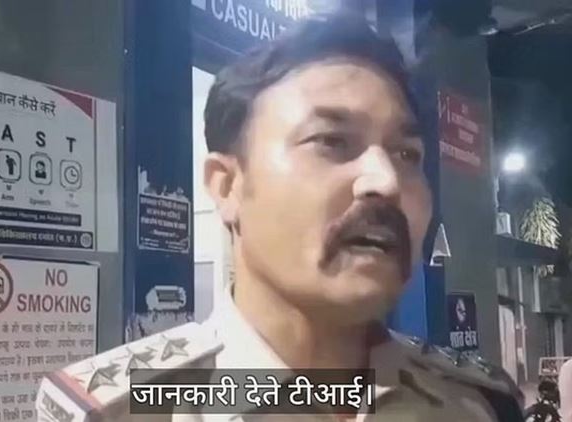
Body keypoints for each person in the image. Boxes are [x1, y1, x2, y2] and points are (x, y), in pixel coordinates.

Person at [35, 12, 523, 422]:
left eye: (406, 154)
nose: (386, 181)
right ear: (227, 186)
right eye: (331, 141)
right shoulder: (128, 410)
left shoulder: (477, 404)